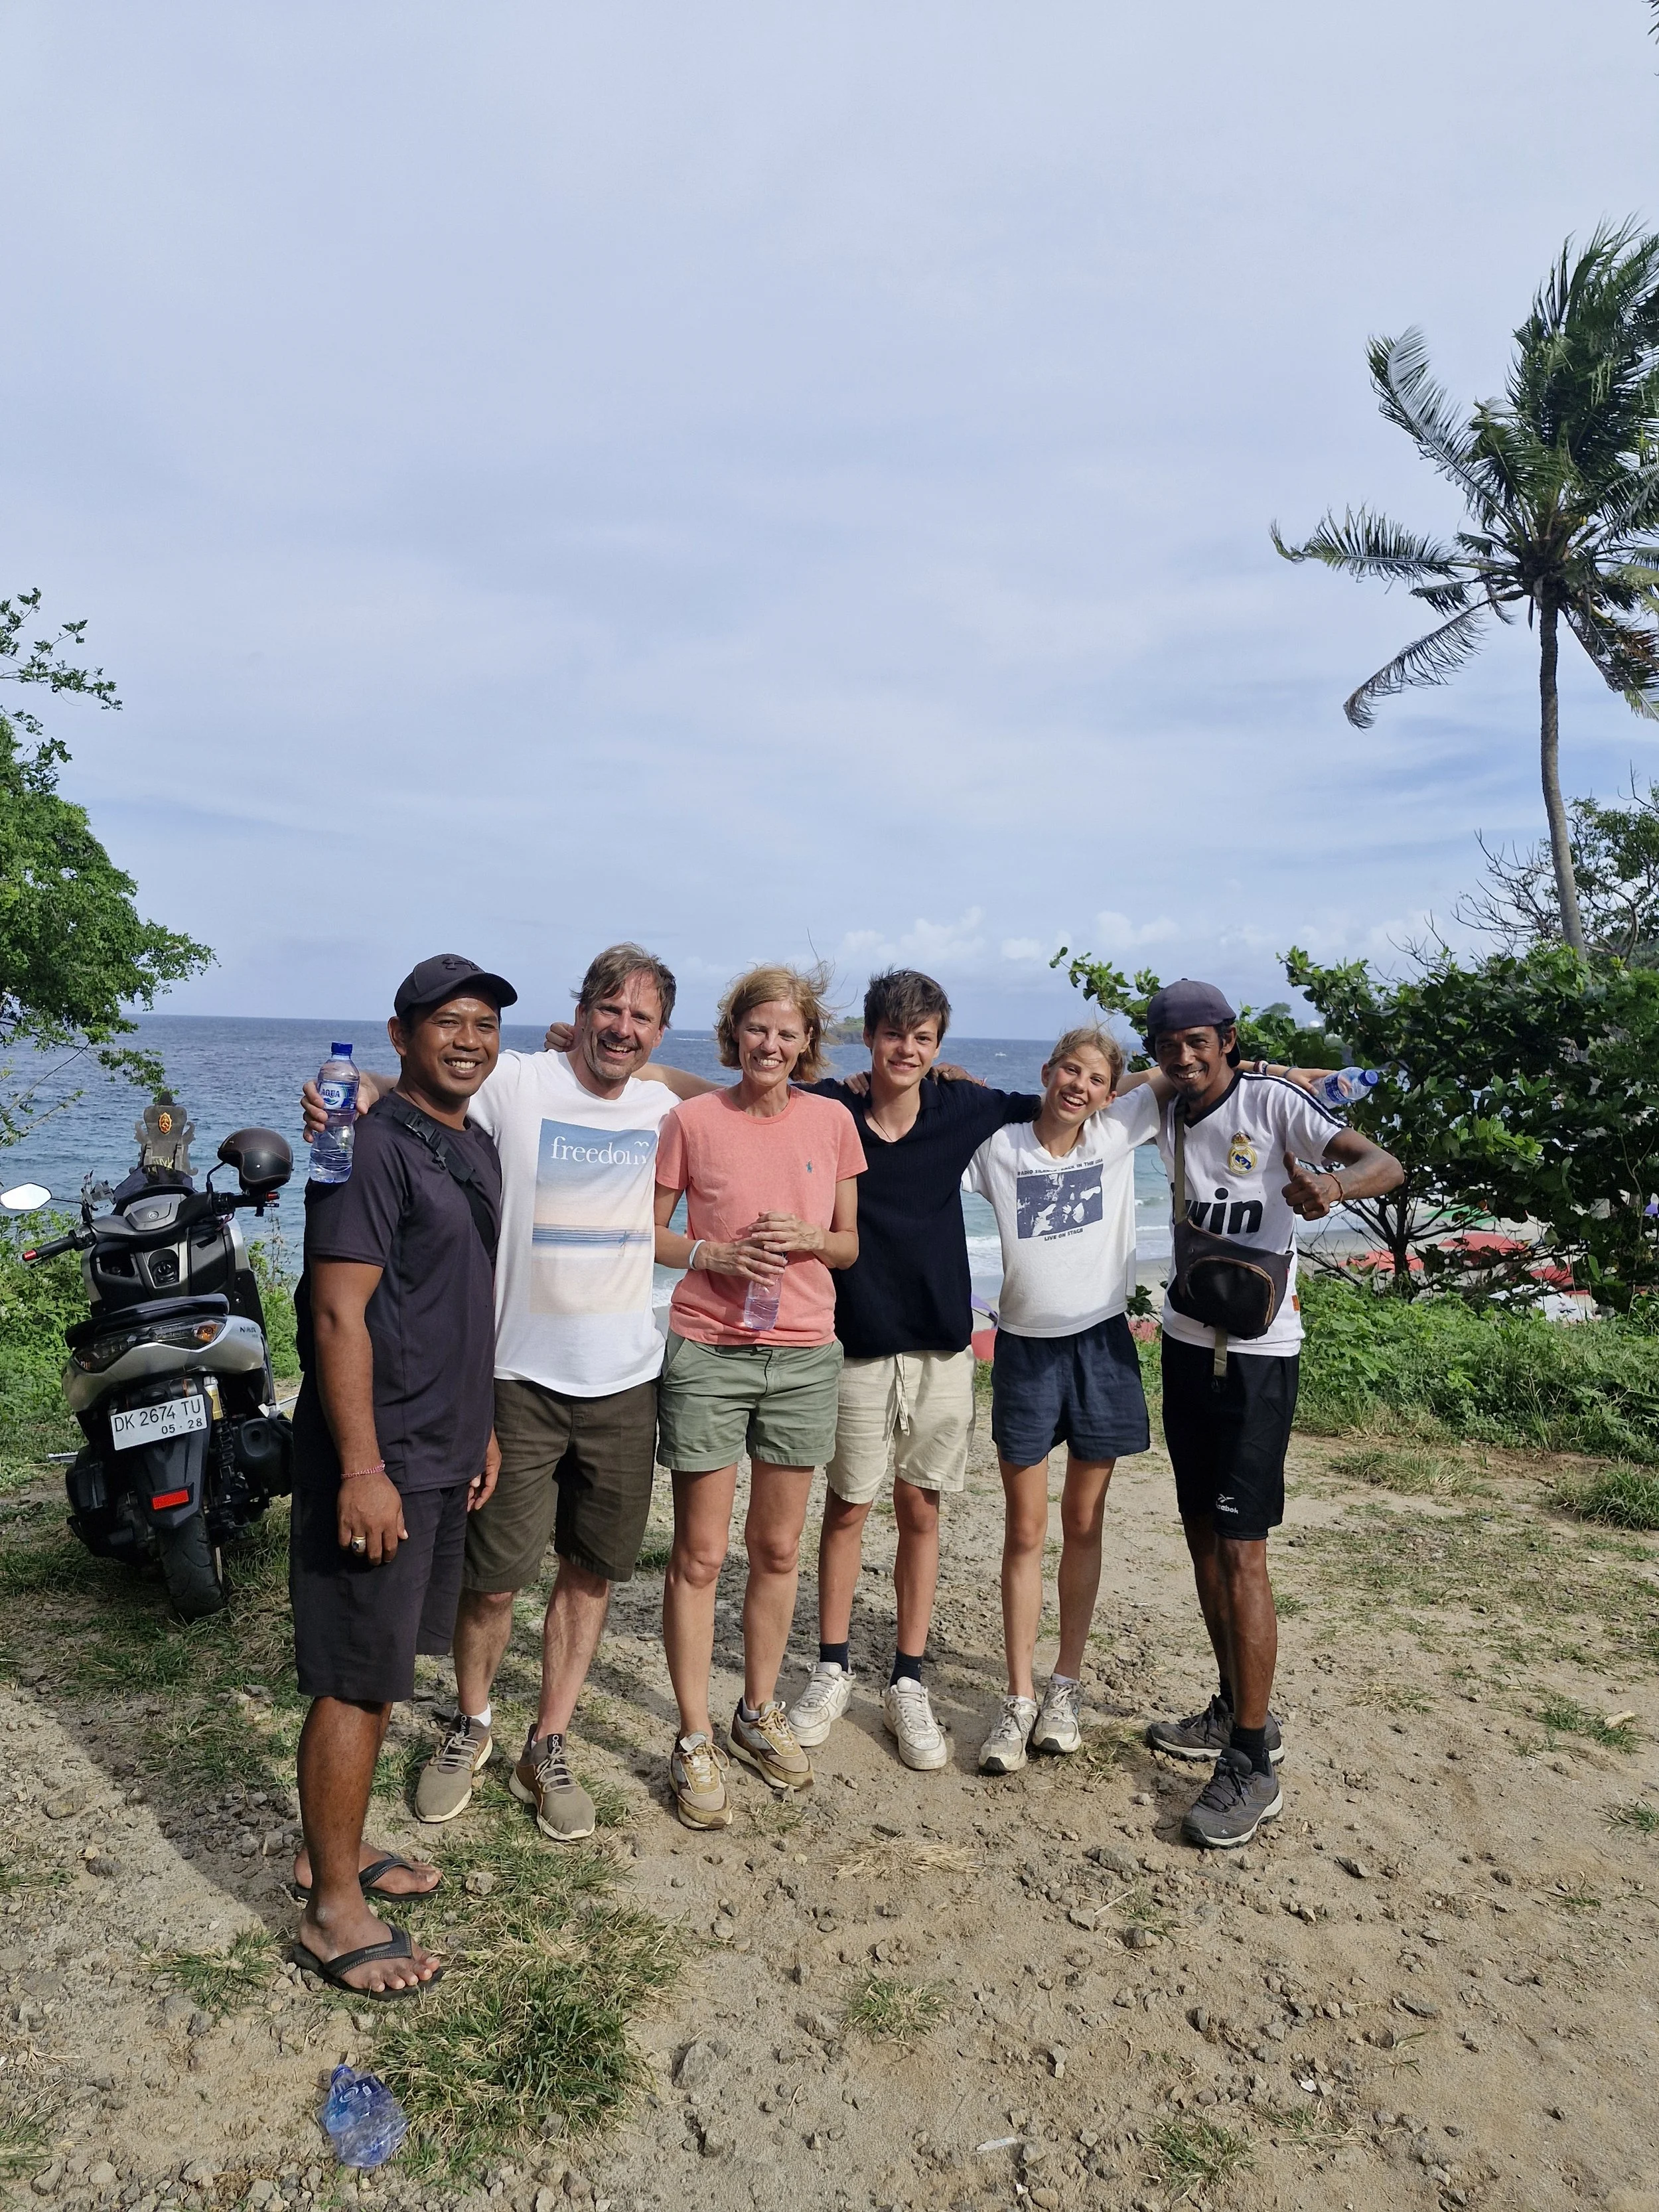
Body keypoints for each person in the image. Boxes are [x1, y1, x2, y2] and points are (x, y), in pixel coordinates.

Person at [304, 945, 685, 1845]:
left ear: (661, 1031)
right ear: (579, 1009)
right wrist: (353, 1098)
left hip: (625, 1376)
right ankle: (472, 1722)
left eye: (642, 1018)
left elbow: (763, 1086)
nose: (621, 1029)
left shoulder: (666, 1103)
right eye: (608, 1009)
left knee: (589, 1573)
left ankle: (547, 1738)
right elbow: (418, 1092)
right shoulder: (516, 1079)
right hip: (515, 1377)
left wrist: (662, 1065)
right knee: (495, 1578)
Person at [289, 956, 510, 1995]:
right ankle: (334, 1909)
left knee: (383, 1673)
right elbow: (337, 1311)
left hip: (444, 1447)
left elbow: (452, 1299)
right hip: (383, 1456)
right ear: (399, 1034)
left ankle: (329, 1851)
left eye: (484, 1024)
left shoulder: (471, 1144)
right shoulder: (365, 1150)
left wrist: (484, 1428)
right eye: (447, 1023)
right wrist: (363, 1466)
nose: (469, 1039)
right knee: (356, 1675)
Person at [1140, 980, 1403, 1848]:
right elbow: (1074, 1113)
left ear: (1226, 1039)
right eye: (1169, 1043)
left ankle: (1252, 1758)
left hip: (1258, 1357)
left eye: (1198, 1042)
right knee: (1202, 1538)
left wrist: (1334, 1184)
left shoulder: (1271, 1101)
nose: (1185, 1056)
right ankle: (1229, 1707)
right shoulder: (1165, 1106)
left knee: (1244, 1548)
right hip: (1184, 1341)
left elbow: (1383, 1163)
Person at [786, 970, 1045, 1772]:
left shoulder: (960, 1107)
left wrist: (1200, 1079)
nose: (907, 1049)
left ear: (939, 1047)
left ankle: (907, 1679)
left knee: (920, 1510)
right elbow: (733, 1095)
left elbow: (1071, 1104)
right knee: (848, 1508)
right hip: (855, 1341)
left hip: (940, 1343)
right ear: (870, 1037)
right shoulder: (828, 1107)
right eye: (894, 1034)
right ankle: (831, 1667)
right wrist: (636, 1071)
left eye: (923, 1038)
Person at [651, 964, 865, 1829]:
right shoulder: (692, 1121)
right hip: (708, 1352)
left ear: (807, 1040)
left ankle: (757, 1709)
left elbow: (849, 1246)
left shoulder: (833, 1121)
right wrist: (713, 1255)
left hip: (805, 1356)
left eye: (787, 1032)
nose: (771, 1045)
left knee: (777, 1551)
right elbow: (651, 1232)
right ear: (733, 1035)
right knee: (699, 1555)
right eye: (756, 1030)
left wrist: (812, 1236)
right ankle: (695, 1734)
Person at [962, 1024, 1170, 1775]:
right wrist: (954, 1084)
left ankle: (1064, 1685)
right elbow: (924, 1131)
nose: (1078, 1086)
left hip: (1101, 1346)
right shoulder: (1000, 1148)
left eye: (1095, 1079)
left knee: (1083, 1520)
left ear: (1111, 1093)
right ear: (1047, 1072)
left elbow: (1186, 1073)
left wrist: (1291, 1070)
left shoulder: (1116, 1134)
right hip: (1023, 1351)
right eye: (1069, 1071)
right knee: (1025, 1528)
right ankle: (1017, 1697)